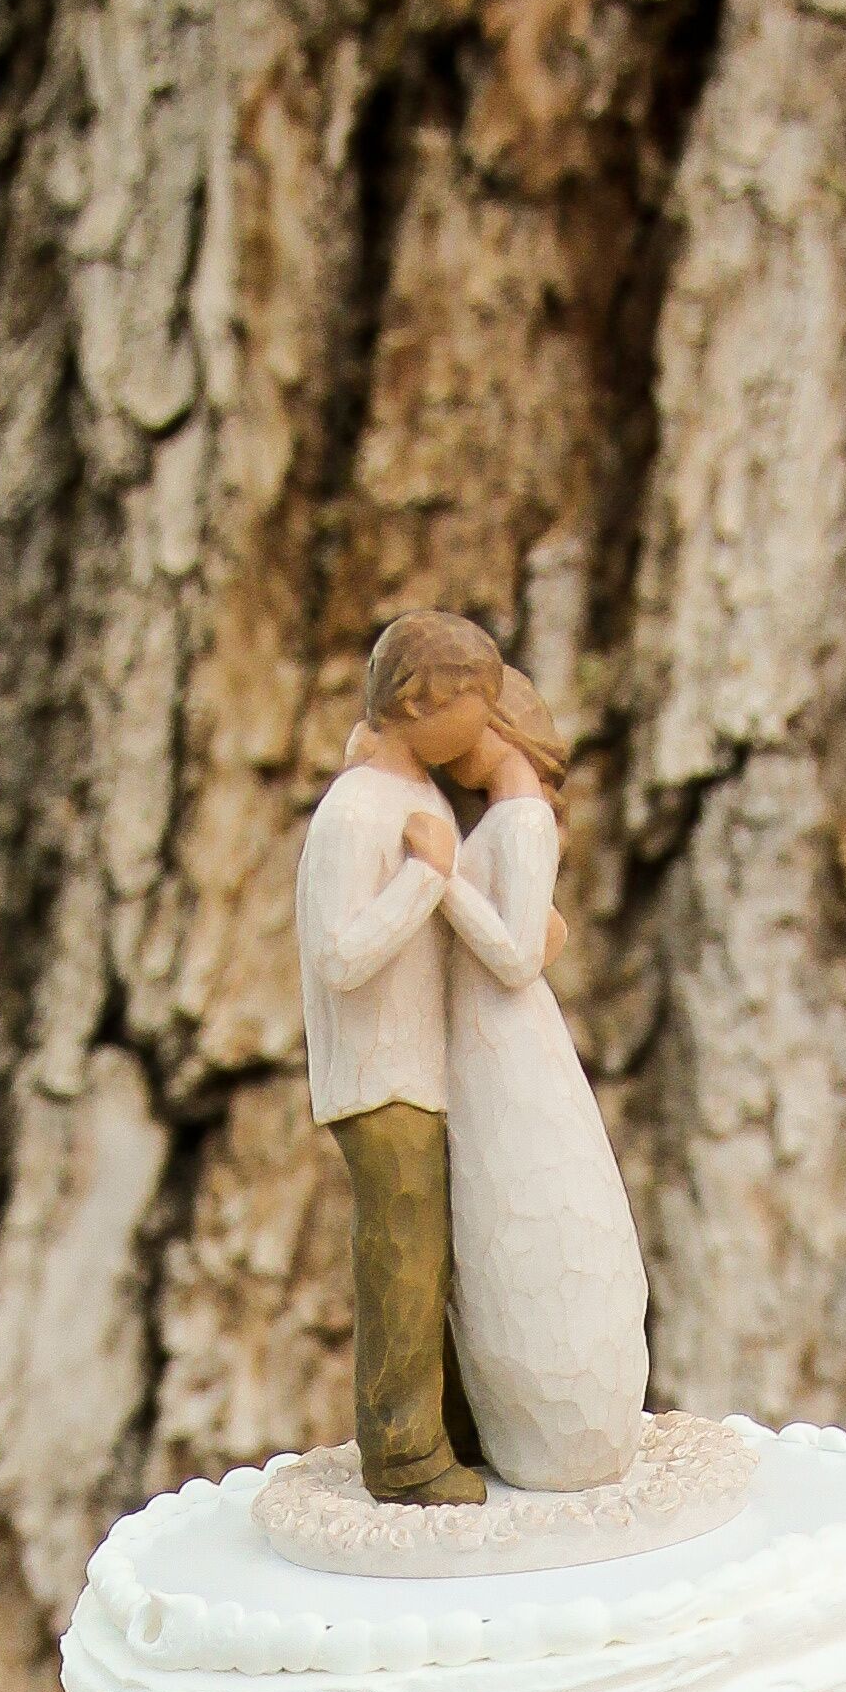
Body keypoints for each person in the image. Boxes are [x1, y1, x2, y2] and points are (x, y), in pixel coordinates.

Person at [292, 612, 503, 1506]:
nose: (488, 722)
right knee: (402, 1255)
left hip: (420, 1068)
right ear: (424, 701)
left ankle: (449, 1423)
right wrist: (427, 876)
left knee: (438, 1254)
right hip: (379, 1080)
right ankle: (403, 1451)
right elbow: (340, 955)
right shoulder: (355, 815)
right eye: (476, 703)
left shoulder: (408, 802)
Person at [437, 668, 650, 1493]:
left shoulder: (522, 820)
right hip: (495, 1044)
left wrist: (442, 878)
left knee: (528, 1213)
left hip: (507, 1043)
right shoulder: (508, 820)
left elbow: (518, 953)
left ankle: (561, 1428)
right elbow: (547, 934)